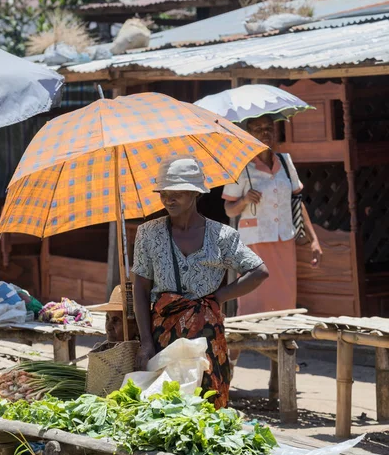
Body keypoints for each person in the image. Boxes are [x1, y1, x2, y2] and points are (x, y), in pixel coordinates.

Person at [132, 157, 269, 409]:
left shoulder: (222, 236)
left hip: (207, 337)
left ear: (195, 194)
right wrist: (145, 344)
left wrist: (218, 297)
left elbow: (259, 271)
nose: (169, 200)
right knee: (163, 406)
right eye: (164, 193)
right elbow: (140, 288)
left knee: (208, 404)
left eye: (178, 194)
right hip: (163, 336)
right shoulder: (149, 233)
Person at [222, 114, 322, 317]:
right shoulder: (241, 167)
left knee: (283, 296)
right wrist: (244, 200)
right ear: (249, 135)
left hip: (283, 238)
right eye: (258, 129)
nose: (264, 133)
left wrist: (314, 240)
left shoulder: (285, 162)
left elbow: (297, 202)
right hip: (254, 242)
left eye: (268, 128)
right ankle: (245, 343)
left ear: (275, 132)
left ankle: (281, 341)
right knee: (254, 296)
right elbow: (228, 209)